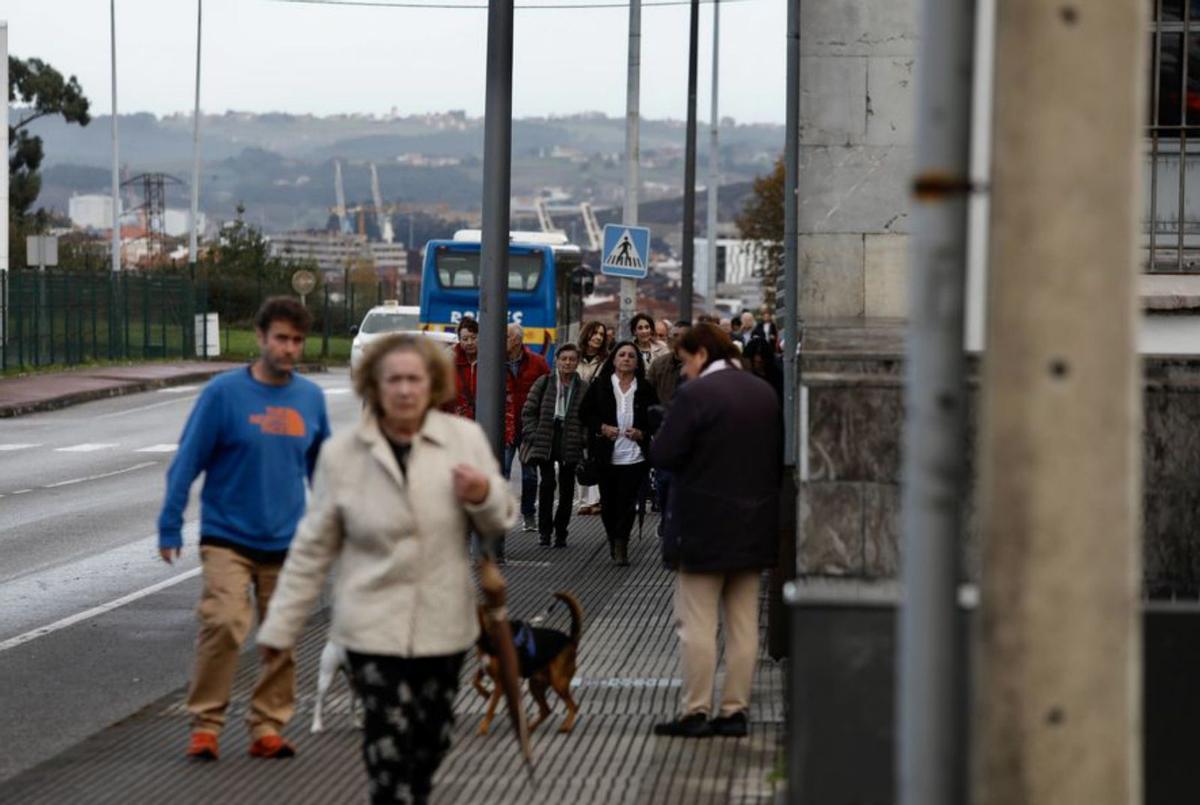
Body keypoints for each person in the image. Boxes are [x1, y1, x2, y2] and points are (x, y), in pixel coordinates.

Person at [256, 333, 516, 805]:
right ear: (374, 386)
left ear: (432, 384)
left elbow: (500, 518)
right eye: (392, 379)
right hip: (371, 626)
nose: (403, 389)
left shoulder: (463, 439)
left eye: (414, 379)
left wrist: (482, 493)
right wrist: (280, 628)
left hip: (443, 625)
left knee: (429, 741)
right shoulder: (344, 454)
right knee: (386, 746)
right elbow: (313, 548)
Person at [157, 297, 331, 761]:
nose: (289, 348)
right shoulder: (223, 394)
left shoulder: (310, 399)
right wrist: (169, 524)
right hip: (226, 536)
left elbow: (324, 469)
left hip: (285, 539)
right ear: (260, 338)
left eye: (297, 340)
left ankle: (268, 726)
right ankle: (206, 724)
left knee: (281, 636)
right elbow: (187, 460)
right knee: (225, 623)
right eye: (281, 338)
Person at [650, 323, 781, 739]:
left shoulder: (695, 395)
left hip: (702, 528)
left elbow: (665, 454)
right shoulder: (763, 392)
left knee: (697, 625)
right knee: (743, 626)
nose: (685, 371)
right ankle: (735, 711)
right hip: (754, 525)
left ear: (701, 354)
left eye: (686, 362)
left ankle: (696, 711)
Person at [580, 340, 659, 566]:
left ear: (637, 363)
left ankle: (621, 543)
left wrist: (642, 433)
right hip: (606, 456)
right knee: (609, 503)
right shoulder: (600, 385)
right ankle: (612, 536)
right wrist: (602, 428)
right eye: (622, 355)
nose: (626, 359)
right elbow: (584, 413)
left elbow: (656, 418)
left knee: (628, 503)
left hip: (635, 457)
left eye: (631, 356)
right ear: (614, 360)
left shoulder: (645, 388)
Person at [521, 343, 588, 547]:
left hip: (571, 439)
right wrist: (533, 434)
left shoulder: (583, 387)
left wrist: (583, 439)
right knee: (547, 484)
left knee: (567, 489)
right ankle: (544, 532)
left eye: (572, 359)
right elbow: (528, 411)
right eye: (564, 359)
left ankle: (561, 532)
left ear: (577, 362)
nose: (568, 363)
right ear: (557, 361)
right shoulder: (544, 382)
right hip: (546, 438)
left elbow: (588, 418)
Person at [501, 323, 550, 544]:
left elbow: (549, 390)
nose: (504, 340)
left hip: (530, 426)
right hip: (505, 426)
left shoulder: (537, 363)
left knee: (530, 475)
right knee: (502, 470)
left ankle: (529, 513)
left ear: (518, 340)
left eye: (508, 337)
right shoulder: (494, 360)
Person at [574, 320, 609, 515]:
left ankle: (595, 500)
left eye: (601, 335)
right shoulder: (575, 357)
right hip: (575, 412)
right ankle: (583, 500)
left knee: (594, 452)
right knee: (579, 454)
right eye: (594, 333)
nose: (597, 337)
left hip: (596, 413)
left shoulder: (606, 360)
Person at [742, 335, 784, 400]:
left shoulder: (777, 375)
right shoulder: (746, 376)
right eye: (755, 355)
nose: (758, 359)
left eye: (760, 355)